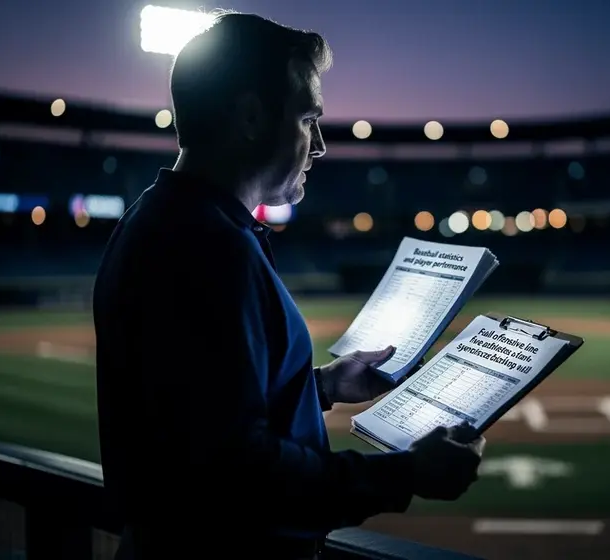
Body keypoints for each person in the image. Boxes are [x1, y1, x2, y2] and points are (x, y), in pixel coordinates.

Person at [93, 10, 485, 559]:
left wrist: (321, 386)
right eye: (308, 118)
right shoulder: (206, 245)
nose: (320, 144)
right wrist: (407, 474)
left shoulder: (167, 220)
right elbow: (236, 475)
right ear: (252, 116)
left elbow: (207, 411)